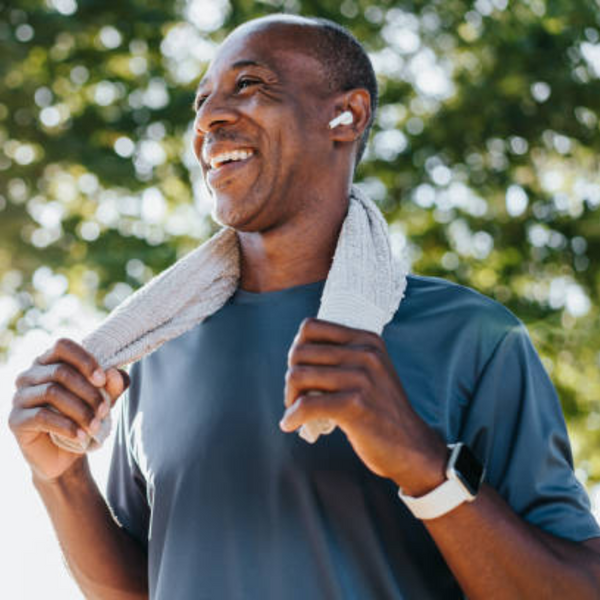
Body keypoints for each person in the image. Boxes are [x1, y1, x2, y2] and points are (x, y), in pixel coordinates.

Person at [8, 13, 600, 599]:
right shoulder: (154, 351)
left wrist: (424, 465)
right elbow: (145, 590)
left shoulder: (472, 338)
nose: (209, 118)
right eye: (202, 101)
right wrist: (59, 478)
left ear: (347, 115)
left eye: (249, 85)